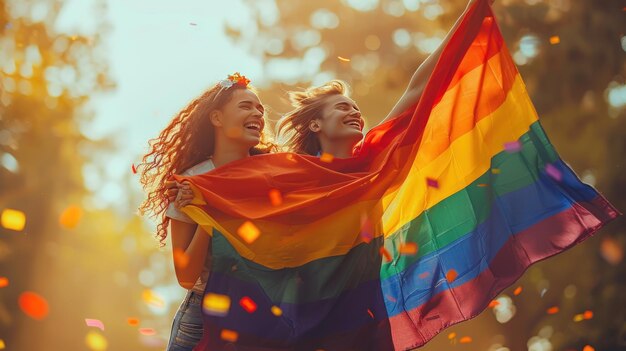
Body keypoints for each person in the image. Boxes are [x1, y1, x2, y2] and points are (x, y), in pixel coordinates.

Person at [138, 73, 275, 351]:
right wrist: (209, 218)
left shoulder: (274, 175)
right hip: (201, 318)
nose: (257, 114)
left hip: (261, 315)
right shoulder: (190, 183)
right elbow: (186, 277)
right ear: (217, 119)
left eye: (260, 109)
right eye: (245, 106)